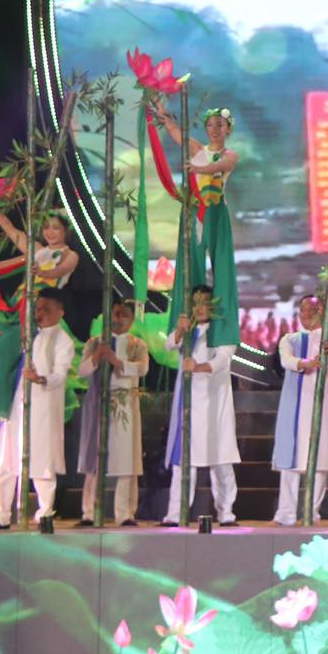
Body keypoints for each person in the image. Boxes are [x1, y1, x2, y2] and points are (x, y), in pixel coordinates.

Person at [0, 206, 80, 428]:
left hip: (38, 308)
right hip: (17, 304)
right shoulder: (37, 250)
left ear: (65, 231)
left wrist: (43, 273)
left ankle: (2, 406)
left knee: (8, 345)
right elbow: (11, 231)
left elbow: (61, 270)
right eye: (46, 227)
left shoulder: (69, 255)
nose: (50, 232)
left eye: (56, 228)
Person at [151, 102, 242, 348]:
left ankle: (223, 333)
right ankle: (183, 326)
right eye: (210, 125)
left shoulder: (230, 155)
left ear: (228, 129)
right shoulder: (197, 149)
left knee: (222, 266)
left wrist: (198, 168)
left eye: (219, 125)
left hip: (216, 211)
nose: (214, 129)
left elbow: (219, 167)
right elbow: (176, 133)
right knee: (189, 265)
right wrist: (164, 116)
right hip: (194, 209)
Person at [0, 290, 74, 528]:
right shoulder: (25, 334)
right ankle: (1, 516)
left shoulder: (62, 341)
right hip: (15, 406)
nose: (40, 313)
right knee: (6, 461)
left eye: (46, 309)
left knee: (42, 463)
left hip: (42, 409)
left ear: (60, 312)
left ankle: (44, 514)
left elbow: (60, 374)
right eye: (38, 308)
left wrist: (41, 379)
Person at [164, 284, 240, 526]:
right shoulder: (188, 329)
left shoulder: (223, 331)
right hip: (190, 403)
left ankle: (226, 512)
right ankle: (175, 513)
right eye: (196, 303)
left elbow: (222, 360)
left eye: (205, 303)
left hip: (216, 402)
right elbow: (169, 344)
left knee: (221, 459)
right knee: (184, 460)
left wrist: (197, 367)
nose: (201, 308)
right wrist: (179, 330)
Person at [272, 293, 328, 525]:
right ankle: (286, 513)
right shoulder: (290, 339)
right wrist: (306, 363)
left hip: (321, 405)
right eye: (303, 309)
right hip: (293, 404)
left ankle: (311, 512)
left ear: (322, 312)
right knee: (290, 461)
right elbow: (286, 360)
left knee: (319, 459)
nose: (307, 314)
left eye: (313, 310)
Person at [78, 297, 150, 526]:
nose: (119, 319)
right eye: (115, 313)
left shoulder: (137, 344)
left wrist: (116, 362)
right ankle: (90, 512)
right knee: (95, 459)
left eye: (124, 315)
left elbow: (142, 368)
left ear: (132, 319)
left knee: (126, 459)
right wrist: (98, 356)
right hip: (99, 405)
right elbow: (82, 370)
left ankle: (125, 513)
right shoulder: (95, 342)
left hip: (125, 404)